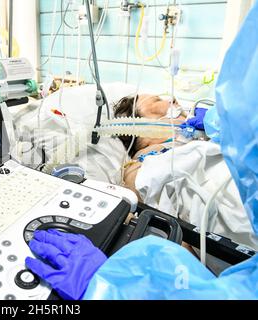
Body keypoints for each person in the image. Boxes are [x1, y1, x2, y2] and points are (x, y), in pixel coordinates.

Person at [25, 2, 258, 300]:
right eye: (157, 102)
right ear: (135, 128)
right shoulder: (142, 165)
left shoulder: (230, 144)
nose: (171, 101)